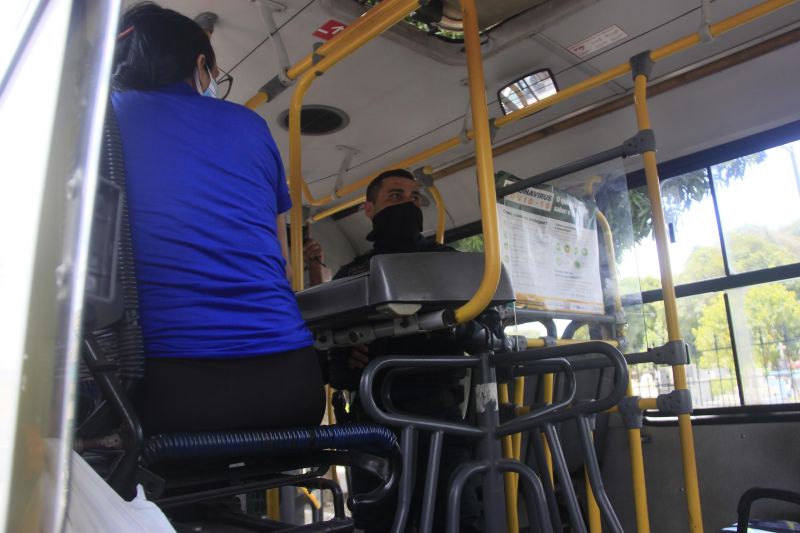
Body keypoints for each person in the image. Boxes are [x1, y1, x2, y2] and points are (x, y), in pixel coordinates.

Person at [111, 2, 324, 435]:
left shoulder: (99, 122)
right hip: (291, 386)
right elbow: (282, 265)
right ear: (200, 63)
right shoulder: (250, 126)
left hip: (165, 390)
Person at [308, 169, 483, 532]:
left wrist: (449, 327)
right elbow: (327, 351)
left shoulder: (446, 262)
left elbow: (483, 330)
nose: (409, 203)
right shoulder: (354, 274)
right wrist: (345, 359)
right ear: (369, 209)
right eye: (396, 196)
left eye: (414, 197)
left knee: (455, 519)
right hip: (374, 423)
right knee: (377, 522)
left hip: (440, 417)